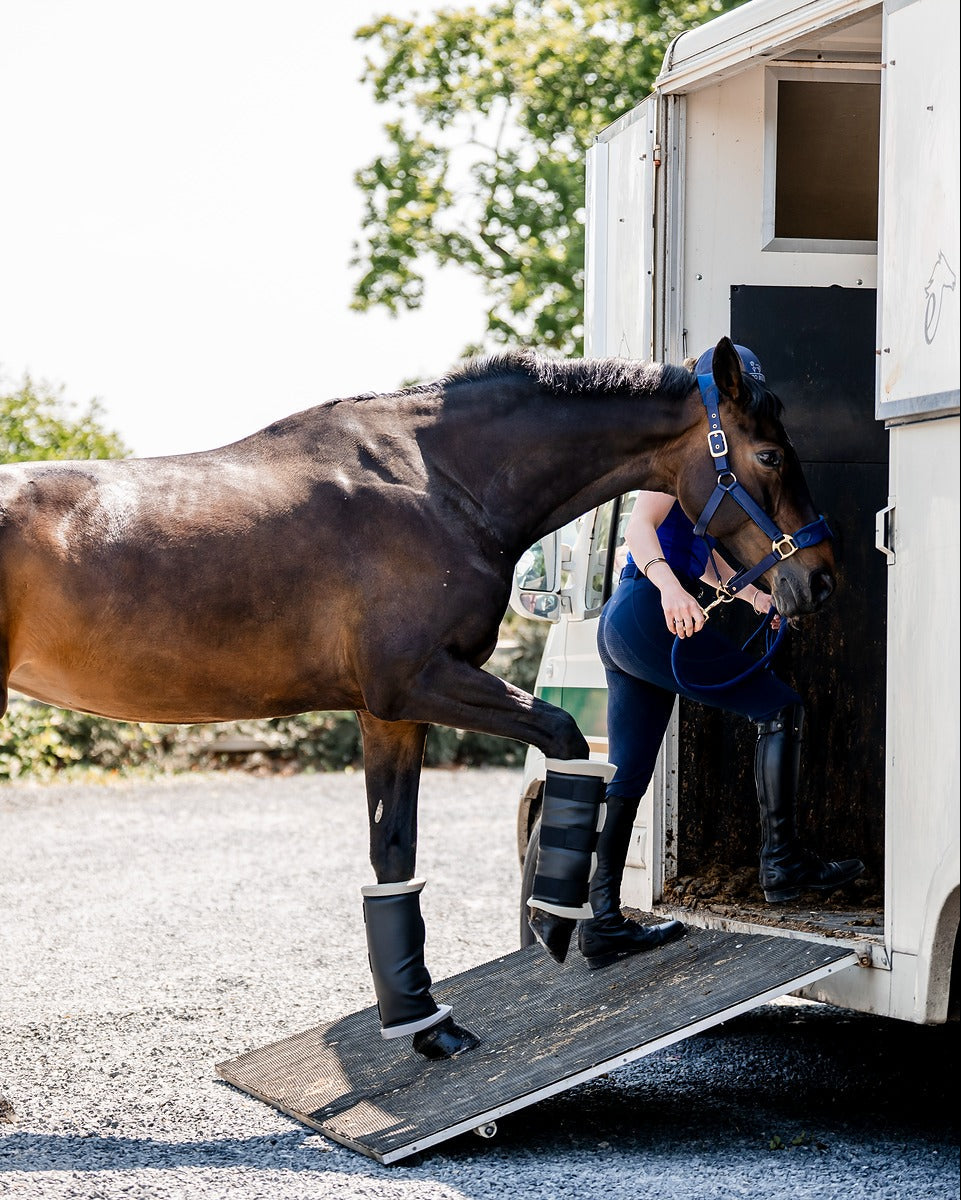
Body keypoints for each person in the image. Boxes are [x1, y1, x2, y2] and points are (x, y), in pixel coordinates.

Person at [579, 344, 865, 971]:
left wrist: (759, 592)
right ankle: (782, 862)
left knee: (628, 773)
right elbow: (641, 530)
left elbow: (699, 551)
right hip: (648, 613)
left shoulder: (707, 473)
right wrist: (672, 590)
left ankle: (601, 924)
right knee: (780, 707)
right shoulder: (680, 455)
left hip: (628, 623)